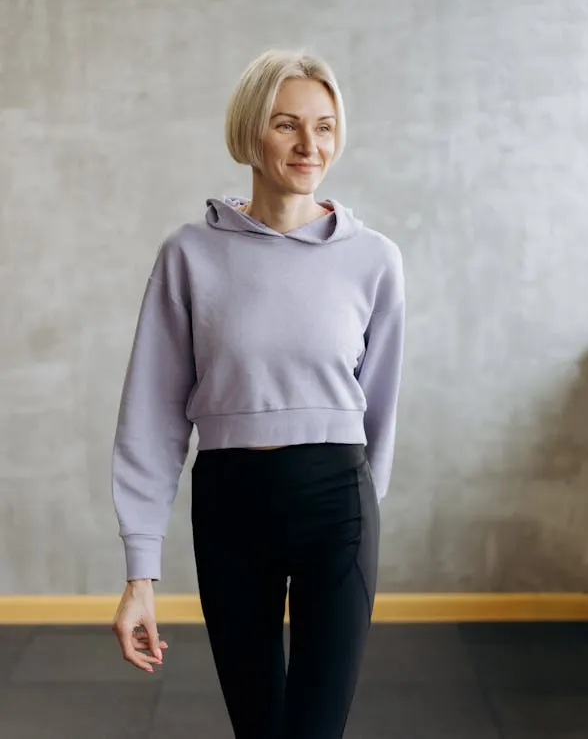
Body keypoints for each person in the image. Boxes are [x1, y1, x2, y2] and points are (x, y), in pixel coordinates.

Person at [111, 48, 406, 739]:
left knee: (315, 729)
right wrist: (139, 573)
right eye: (287, 125)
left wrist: (362, 509)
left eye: (326, 126)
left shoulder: (374, 259)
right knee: (260, 728)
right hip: (230, 503)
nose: (311, 146)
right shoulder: (189, 254)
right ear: (250, 131)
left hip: (338, 506)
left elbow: (380, 409)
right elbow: (150, 420)